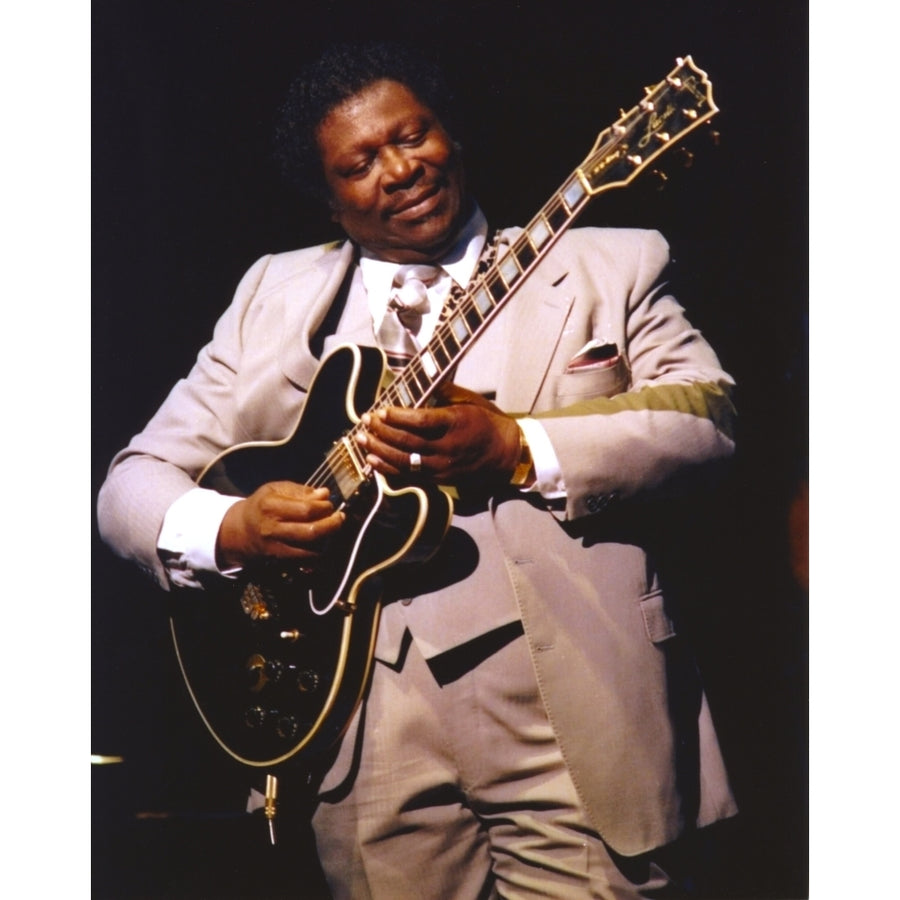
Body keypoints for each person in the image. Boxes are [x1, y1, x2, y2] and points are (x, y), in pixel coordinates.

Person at [97, 41, 738, 899]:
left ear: (451, 137)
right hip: (353, 727)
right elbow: (132, 483)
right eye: (360, 163)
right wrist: (231, 527)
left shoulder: (606, 264)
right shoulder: (272, 294)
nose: (399, 169)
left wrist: (516, 445)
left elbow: (707, 418)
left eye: (413, 135)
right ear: (330, 199)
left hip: (571, 704)